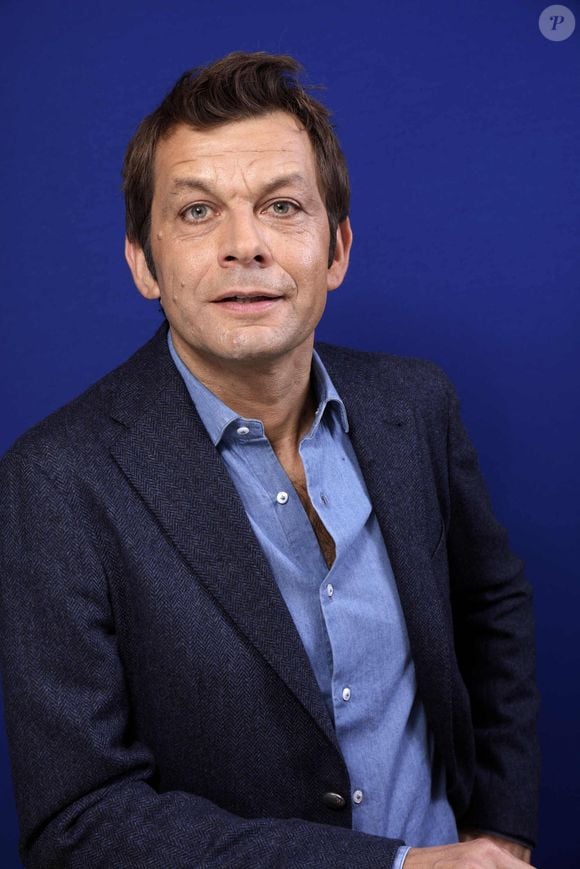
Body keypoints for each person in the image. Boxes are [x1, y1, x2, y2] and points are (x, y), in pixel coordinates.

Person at [0, 52, 540, 868]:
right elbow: (79, 819)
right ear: (143, 261)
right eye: (197, 212)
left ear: (337, 249)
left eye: (282, 206)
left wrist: (499, 830)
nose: (244, 245)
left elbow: (491, 610)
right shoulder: (55, 482)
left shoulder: (416, 406)